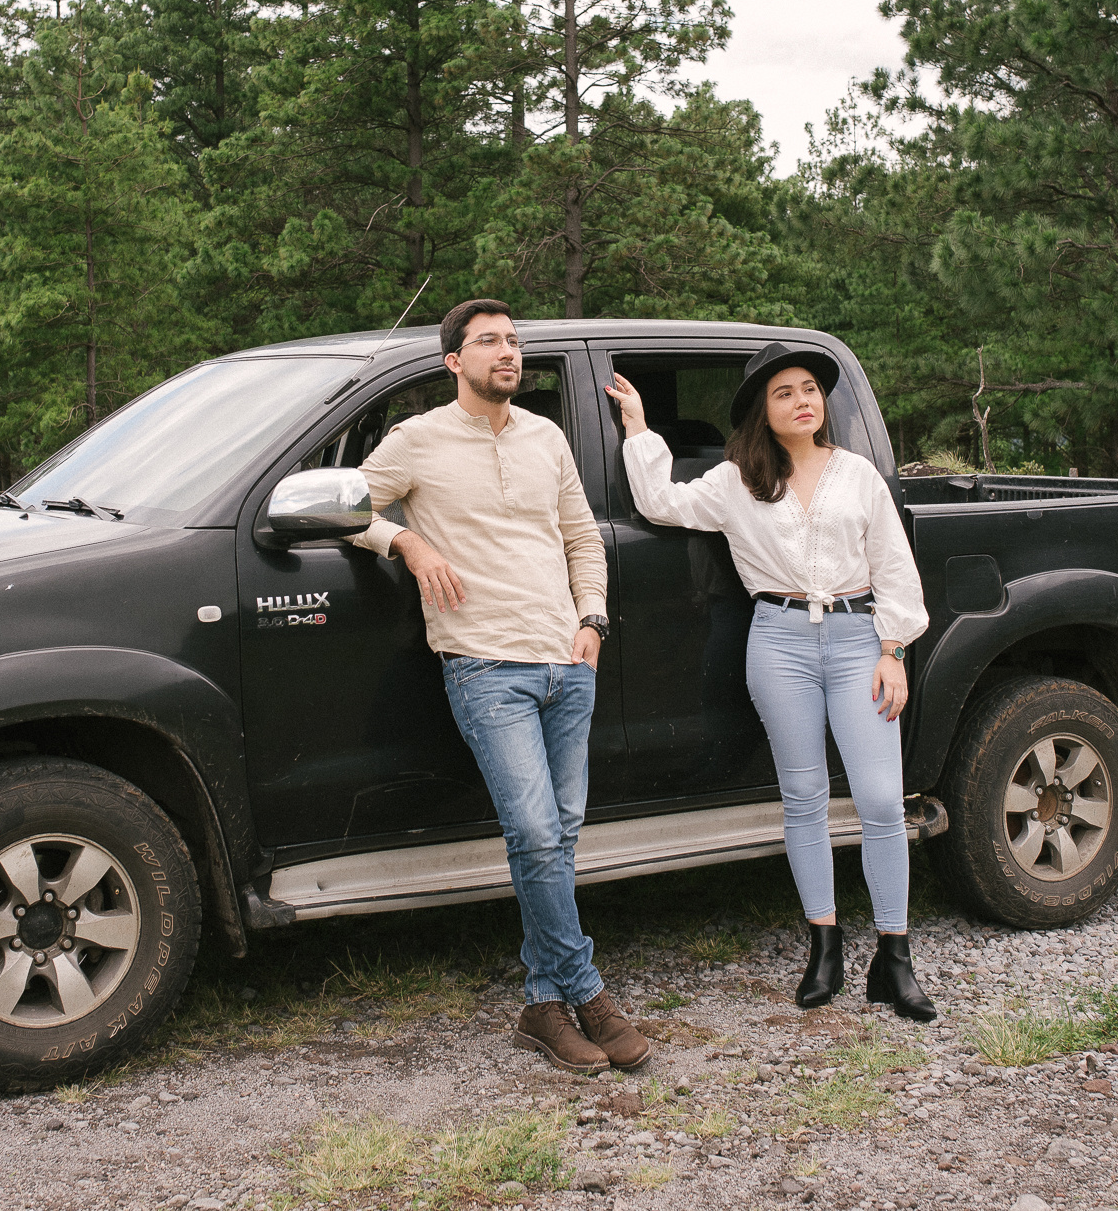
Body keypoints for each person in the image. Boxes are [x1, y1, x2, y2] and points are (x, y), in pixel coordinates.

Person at [356, 297, 652, 1075]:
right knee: (535, 833)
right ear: (453, 361)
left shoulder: (545, 437)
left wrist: (593, 621)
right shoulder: (417, 439)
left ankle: (540, 1006)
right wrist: (407, 543)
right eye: (488, 342)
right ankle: (588, 992)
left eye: (514, 342)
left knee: (555, 839)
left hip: (567, 662)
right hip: (486, 666)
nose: (507, 353)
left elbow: (582, 536)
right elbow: (345, 506)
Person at [605, 340, 936, 1021]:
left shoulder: (859, 476)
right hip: (778, 642)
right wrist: (639, 428)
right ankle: (824, 947)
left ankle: (895, 958)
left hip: (856, 641)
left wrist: (893, 649)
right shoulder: (736, 482)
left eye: (810, 388)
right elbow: (663, 503)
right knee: (804, 797)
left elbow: (895, 567)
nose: (802, 401)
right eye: (784, 392)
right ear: (763, 408)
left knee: (879, 800)